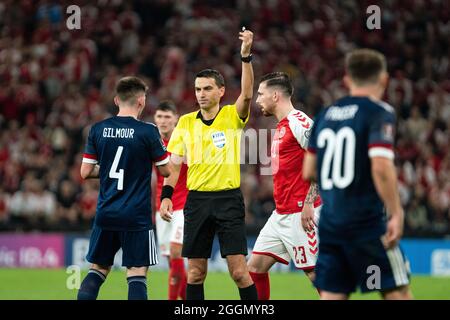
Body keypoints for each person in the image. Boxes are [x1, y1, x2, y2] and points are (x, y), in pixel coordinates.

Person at [303, 49, 413, 300]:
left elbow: (308, 170)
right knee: (397, 292)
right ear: (384, 79)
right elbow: (381, 167)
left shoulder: (325, 114)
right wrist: (396, 212)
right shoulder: (379, 112)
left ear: (346, 80)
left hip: (330, 224)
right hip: (367, 223)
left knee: (332, 295)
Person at [159, 28, 258, 300]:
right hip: (197, 201)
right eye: (198, 89)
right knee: (195, 273)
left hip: (228, 200)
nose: (201, 94)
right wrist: (166, 196)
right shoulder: (185, 123)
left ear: (221, 91)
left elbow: (248, 95)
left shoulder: (231, 116)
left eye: (207, 89)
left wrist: (246, 57)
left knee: (239, 271)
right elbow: (175, 164)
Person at [77, 76, 170, 300]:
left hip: (106, 212)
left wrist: (108, 167)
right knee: (137, 273)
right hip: (136, 216)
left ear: (117, 100)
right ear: (141, 101)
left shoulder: (98, 129)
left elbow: (85, 172)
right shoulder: (148, 131)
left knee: (98, 269)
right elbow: (166, 171)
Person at [247, 72, 322, 300]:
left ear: (276, 95)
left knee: (317, 276)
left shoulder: (301, 122)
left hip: (302, 213)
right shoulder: (281, 126)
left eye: (261, 94)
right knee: (254, 269)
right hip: (281, 214)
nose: (257, 99)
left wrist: (309, 202)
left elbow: (320, 160)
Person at [153, 101, 189, 300]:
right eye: (159, 116)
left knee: (176, 253)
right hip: (162, 208)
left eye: (167, 117)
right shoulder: (152, 143)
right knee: (172, 262)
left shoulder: (185, 140)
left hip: (184, 206)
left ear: (176, 119)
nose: (163, 121)